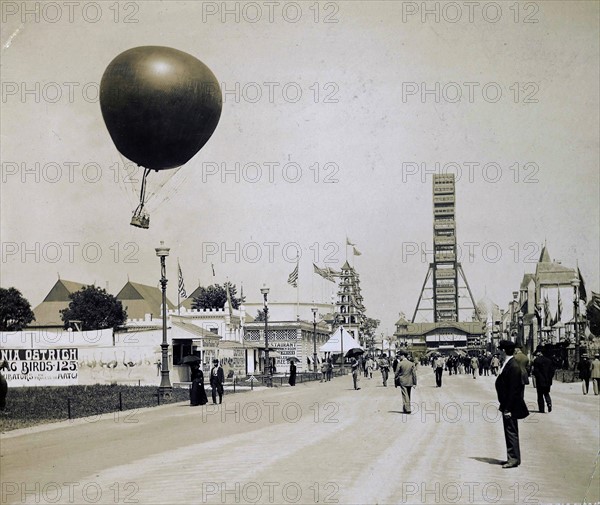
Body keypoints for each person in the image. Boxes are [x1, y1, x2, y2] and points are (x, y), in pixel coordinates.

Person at [495, 340, 529, 468]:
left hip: (511, 405)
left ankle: (513, 459)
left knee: (511, 431)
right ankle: (512, 457)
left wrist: (508, 408)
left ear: (504, 351)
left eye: (500, 350)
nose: (498, 352)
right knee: (509, 431)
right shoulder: (508, 363)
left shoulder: (513, 366)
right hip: (507, 404)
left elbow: (513, 390)